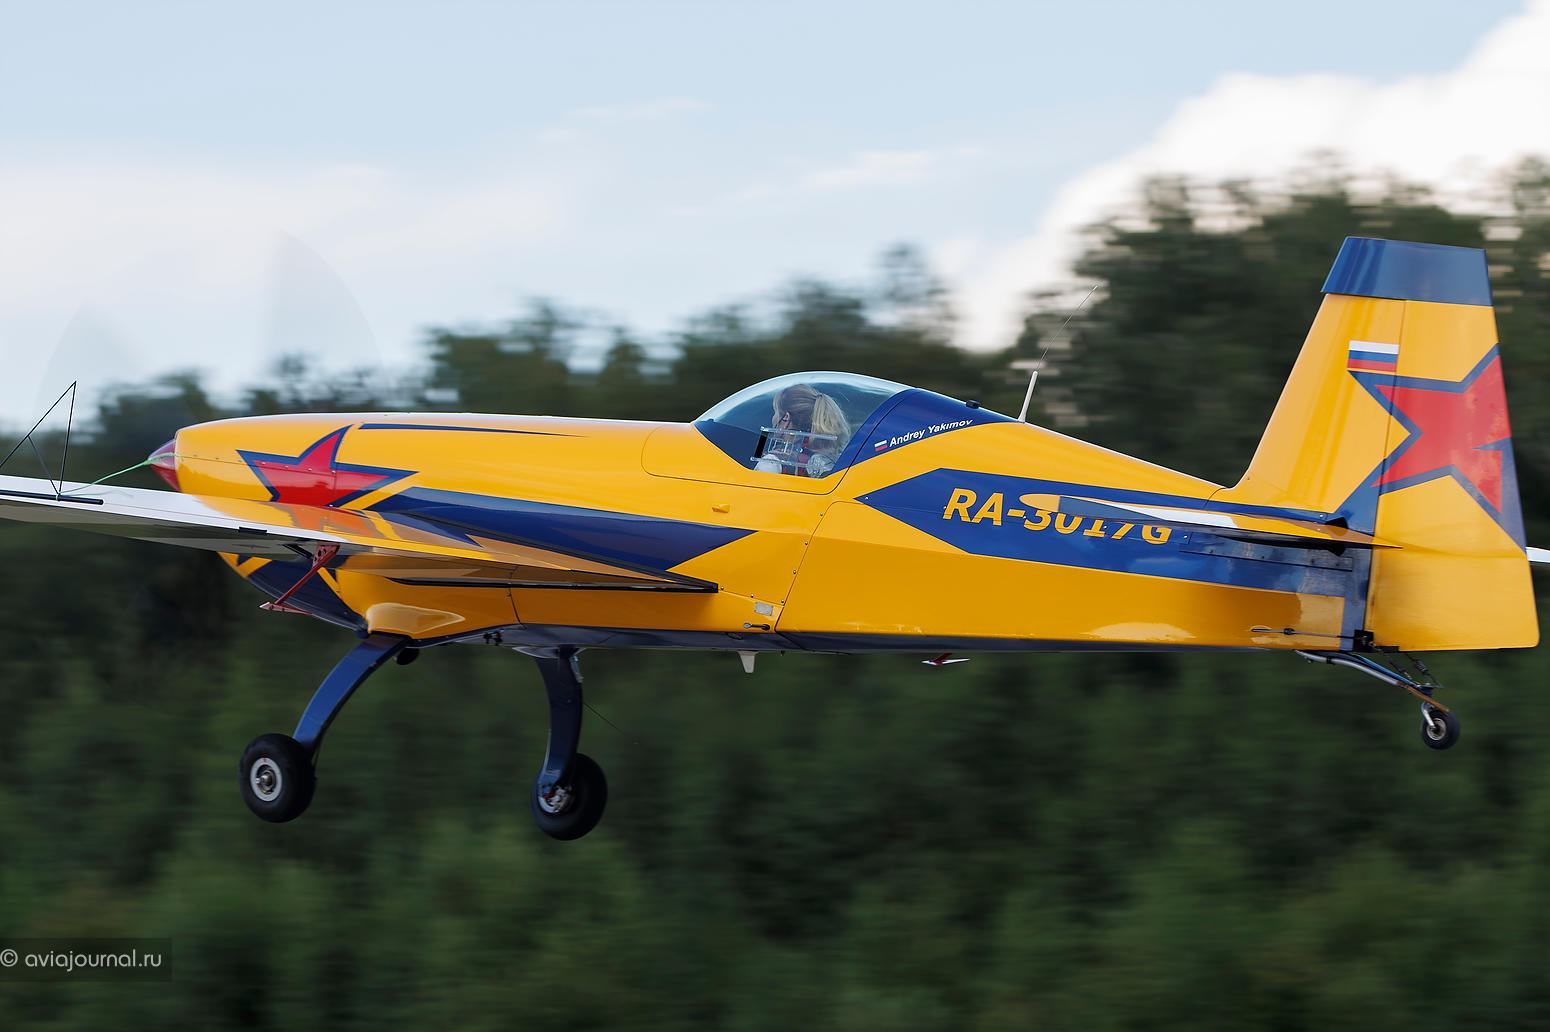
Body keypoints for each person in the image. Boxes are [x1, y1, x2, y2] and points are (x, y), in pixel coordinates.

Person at [754, 383, 851, 477]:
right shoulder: (832, 458)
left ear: (786, 418)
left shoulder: (771, 462)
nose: (773, 418)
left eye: (775, 412)